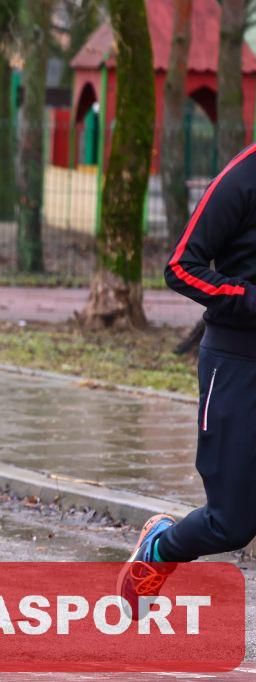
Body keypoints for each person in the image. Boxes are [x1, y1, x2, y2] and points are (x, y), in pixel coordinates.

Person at [118, 142, 256, 616]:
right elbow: (180, 267)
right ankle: (161, 548)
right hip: (239, 364)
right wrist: (250, 300)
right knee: (231, 523)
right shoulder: (242, 178)